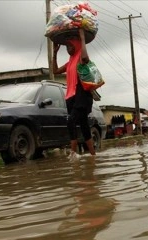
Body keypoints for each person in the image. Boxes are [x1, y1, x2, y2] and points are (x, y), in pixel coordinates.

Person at [53, 29, 95, 158]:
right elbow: (55, 71)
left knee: (70, 121)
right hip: (71, 97)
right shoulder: (69, 62)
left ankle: (73, 153)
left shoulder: (80, 59)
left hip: (81, 96)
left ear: (76, 45)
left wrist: (82, 39)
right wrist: (55, 53)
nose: (68, 49)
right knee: (83, 126)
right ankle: (93, 155)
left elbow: (85, 58)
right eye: (66, 47)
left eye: (70, 46)